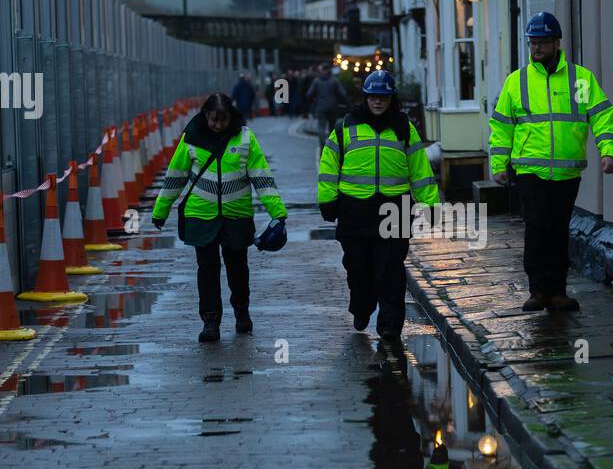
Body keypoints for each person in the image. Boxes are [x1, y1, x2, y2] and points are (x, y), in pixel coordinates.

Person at [489, 11, 613, 312]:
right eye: (533, 43)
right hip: (529, 171)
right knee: (537, 227)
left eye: (542, 42)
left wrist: (607, 151)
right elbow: (501, 125)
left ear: (557, 42)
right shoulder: (516, 81)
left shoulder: (580, 79)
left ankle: (558, 291)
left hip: (566, 172)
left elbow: (601, 116)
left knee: (559, 230)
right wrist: (498, 166)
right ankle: (538, 291)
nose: (536, 48)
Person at [151, 92, 287, 343]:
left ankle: (241, 310)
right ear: (205, 116)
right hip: (201, 217)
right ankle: (210, 321)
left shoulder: (245, 138)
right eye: (213, 120)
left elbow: (261, 177)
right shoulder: (191, 139)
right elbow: (175, 176)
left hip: (236, 217)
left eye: (222, 121)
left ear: (231, 117)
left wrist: (277, 213)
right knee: (207, 269)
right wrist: (161, 210)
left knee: (238, 268)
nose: (217, 125)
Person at [316, 69, 439, 340]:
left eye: (383, 97)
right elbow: (328, 167)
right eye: (373, 97)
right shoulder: (345, 127)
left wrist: (430, 204)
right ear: (366, 97)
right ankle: (362, 306)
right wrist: (327, 200)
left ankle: (390, 326)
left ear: (391, 98)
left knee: (390, 270)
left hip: (394, 208)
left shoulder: (405, 128)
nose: (378, 102)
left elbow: (419, 168)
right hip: (354, 210)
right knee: (357, 267)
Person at [306, 62, 347, 150]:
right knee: (332, 128)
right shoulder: (334, 80)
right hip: (333, 107)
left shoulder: (316, 81)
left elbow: (309, 94)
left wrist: (314, 100)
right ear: (329, 70)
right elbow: (343, 94)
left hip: (320, 107)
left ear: (322, 70)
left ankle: (322, 146)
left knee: (321, 127)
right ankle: (331, 147)